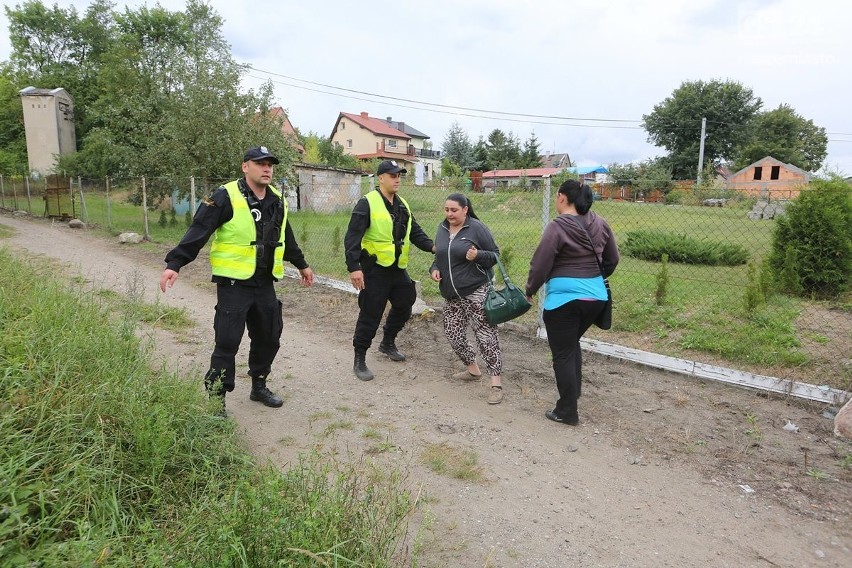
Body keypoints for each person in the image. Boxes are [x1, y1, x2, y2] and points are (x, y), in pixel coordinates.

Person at [159, 146, 314, 413]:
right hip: (233, 284)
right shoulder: (224, 196)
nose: (267, 169)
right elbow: (199, 229)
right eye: (260, 163)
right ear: (246, 167)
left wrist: (302, 264)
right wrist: (176, 263)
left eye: (270, 165)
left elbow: (285, 237)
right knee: (228, 341)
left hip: (265, 283)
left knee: (269, 337)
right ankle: (217, 399)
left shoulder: (277, 199)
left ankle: (259, 385)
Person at [525, 180, 619, 426]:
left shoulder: (557, 227)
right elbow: (612, 259)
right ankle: (573, 393)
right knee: (570, 345)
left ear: (561, 197)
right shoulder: (600, 222)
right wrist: (590, 279)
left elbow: (541, 263)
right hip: (596, 297)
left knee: (563, 353)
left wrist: (530, 289)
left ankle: (567, 411)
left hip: (564, 300)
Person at [344, 159, 435, 381]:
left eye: (399, 175)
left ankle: (387, 342)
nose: (397, 179)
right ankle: (359, 359)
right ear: (380, 178)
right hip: (374, 269)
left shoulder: (402, 204)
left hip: (397, 268)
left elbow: (415, 233)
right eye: (393, 175)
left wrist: (435, 247)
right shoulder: (367, 203)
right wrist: (354, 268)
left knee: (406, 302)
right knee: (371, 312)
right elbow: (352, 238)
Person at [430, 193, 505, 404]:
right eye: (446, 210)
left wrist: (478, 255)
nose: (449, 214)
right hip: (451, 295)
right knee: (453, 334)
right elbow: (439, 257)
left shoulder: (477, 228)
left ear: (465, 209)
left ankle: (496, 384)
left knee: (486, 336)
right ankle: (473, 371)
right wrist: (434, 268)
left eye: (454, 210)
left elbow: (494, 255)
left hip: (476, 291)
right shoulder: (442, 228)